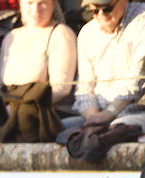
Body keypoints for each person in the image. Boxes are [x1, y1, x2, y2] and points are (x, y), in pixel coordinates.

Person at [60, 0, 145, 138]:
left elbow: (138, 80)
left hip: (135, 112)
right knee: (56, 129)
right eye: (93, 11)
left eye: (107, 9)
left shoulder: (141, 21)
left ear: (123, 1)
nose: (100, 15)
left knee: (113, 132)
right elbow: (84, 87)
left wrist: (107, 114)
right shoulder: (88, 32)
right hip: (98, 114)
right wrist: (93, 116)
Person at [0, 0, 76, 120]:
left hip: (44, 114)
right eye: (30, 3)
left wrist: (21, 108)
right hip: (7, 110)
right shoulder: (11, 37)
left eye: (42, 3)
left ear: (53, 5)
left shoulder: (61, 34)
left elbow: (61, 88)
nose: (35, 10)